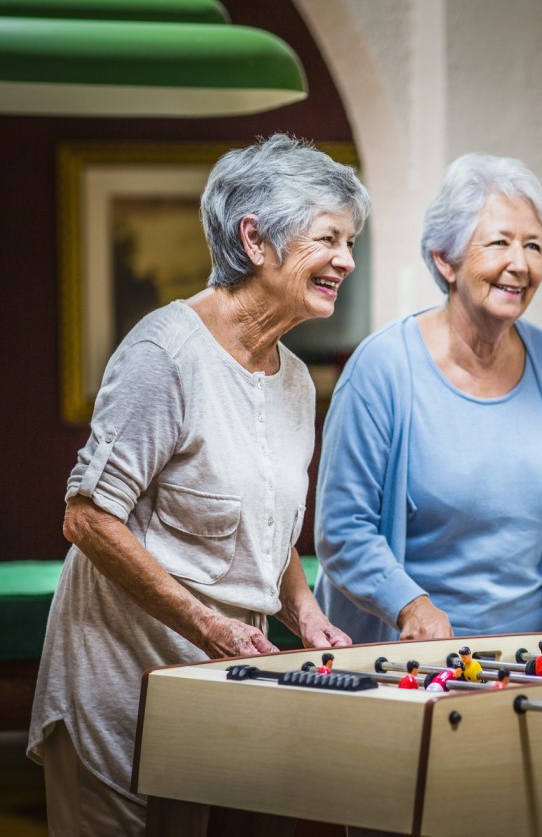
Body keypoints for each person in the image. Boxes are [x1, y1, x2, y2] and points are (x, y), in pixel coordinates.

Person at [27, 134, 370, 835]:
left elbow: (267, 533)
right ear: (256, 239)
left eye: (351, 241)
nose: (347, 260)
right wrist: (209, 624)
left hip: (204, 695)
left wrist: (302, 612)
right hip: (114, 686)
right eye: (328, 238)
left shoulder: (297, 382)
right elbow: (87, 519)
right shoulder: (167, 353)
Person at [314, 153, 542, 641]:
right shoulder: (382, 370)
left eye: (534, 246)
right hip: (414, 665)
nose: (519, 265)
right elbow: (343, 530)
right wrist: (411, 607)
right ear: (446, 258)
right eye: (499, 242)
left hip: (537, 659)